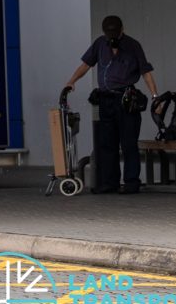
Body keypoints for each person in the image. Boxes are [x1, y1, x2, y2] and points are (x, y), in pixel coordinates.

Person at [64, 15, 159, 194]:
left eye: (115, 33)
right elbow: (86, 65)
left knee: (129, 142)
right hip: (106, 99)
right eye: (109, 34)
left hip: (126, 99)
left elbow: (146, 72)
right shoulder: (100, 44)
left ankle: (131, 182)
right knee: (107, 143)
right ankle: (109, 183)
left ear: (122, 29)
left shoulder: (133, 45)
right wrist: (72, 81)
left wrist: (155, 97)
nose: (112, 37)